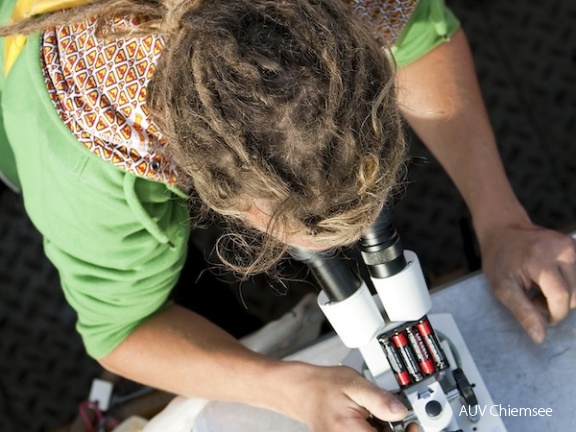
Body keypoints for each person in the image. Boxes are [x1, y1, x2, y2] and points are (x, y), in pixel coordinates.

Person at [0, 0, 574, 431]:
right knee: (189, 303)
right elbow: (122, 329)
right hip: (31, 73)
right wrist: (284, 386)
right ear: (219, 198)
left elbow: (419, 36)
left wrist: (501, 218)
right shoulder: (90, 165)